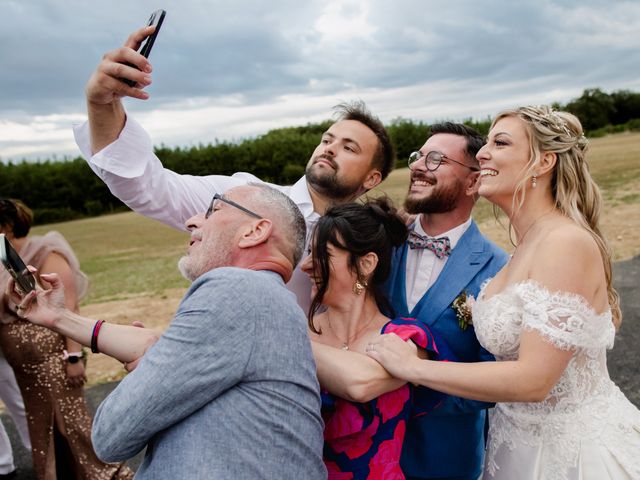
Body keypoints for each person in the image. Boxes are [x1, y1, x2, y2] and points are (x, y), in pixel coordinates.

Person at [367, 106, 640, 479]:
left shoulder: (565, 242)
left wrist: (415, 368)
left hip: (571, 454)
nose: (482, 154)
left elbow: (533, 380)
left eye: (501, 142)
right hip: (512, 449)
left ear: (543, 162)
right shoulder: (523, 249)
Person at [10, 185, 327, 480]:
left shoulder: (235, 289)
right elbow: (154, 351)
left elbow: (110, 435)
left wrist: (149, 364)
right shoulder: (265, 302)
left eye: (213, 209)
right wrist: (58, 317)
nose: (191, 221)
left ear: (254, 231)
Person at [73, 25, 395, 312]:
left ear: (373, 177)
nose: (329, 148)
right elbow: (148, 187)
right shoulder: (240, 198)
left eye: (349, 147)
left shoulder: (373, 237)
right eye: (327, 139)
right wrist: (101, 105)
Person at [384, 123, 508, 480]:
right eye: (418, 156)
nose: (419, 166)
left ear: (473, 182)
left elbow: (496, 379)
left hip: (445, 459)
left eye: (436, 159)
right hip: (366, 449)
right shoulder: (380, 243)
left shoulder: (498, 267)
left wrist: (417, 389)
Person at [301, 198, 455, 479]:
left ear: (366, 264)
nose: (306, 266)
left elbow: (359, 384)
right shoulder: (301, 328)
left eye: (321, 253)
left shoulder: (407, 338)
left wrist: (284, 341)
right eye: (308, 253)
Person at [0, 199, 133, 480]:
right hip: (25, 368)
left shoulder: (46, 252)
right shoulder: (5, 259)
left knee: (70, 421)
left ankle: (107, 474)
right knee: (40, 423)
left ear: (8, 227)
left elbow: (69, 307)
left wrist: (74, 357)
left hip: (52, 358)